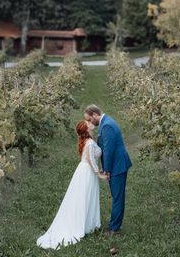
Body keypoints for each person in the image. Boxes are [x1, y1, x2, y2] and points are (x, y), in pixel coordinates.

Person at [36, 120, 108, 249]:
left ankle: (88, 224)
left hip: (83, 171)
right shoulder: (90, 142)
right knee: (85, 198)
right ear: (87, 130)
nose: (91, 123)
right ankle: (85, 225)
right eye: (89, 124)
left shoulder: (88, 141)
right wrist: (99, 174)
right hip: (88, 172)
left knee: (83, 198)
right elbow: (91, 160)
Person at [84, 104, 132, 235]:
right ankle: (114, 225)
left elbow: (108, 150)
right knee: (117, 196)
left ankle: (115, 229)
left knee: (117, 197)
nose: (89, 122)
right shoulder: (105, 123)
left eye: (89, 119)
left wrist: (107, 170)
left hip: (118, 165)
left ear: (95, 114)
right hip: (116, 164)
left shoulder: (107, 126)